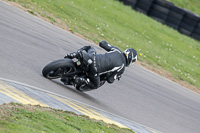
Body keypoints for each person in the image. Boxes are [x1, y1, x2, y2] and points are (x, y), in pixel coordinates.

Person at [65, 40, 137, 91]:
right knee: (95, 85)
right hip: (94, 70)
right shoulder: (122, 68)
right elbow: (110, 80)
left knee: (89, 48)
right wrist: (115, 76)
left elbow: (102, 43)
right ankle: (81, 79)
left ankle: (74, 54)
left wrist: (105, 43)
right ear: (131, 61)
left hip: (91, 57)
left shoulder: (117, 50)